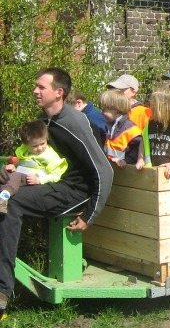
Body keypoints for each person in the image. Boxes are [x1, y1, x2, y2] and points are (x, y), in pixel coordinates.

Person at [0, 68, 113, 318]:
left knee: (11, 203)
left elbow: (105, 172)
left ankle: (2, 292)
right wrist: (12, 168)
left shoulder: (74, 123)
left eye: (41, 87)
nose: (35, 91)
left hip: (74, 192)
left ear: (59, 92)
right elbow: (37, 157)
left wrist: (89, 216)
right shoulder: (44, 120)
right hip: (51, 183)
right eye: (36, 86)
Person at [0, 120, 68, 214]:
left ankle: (4, 198)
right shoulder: (25, 151)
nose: (40, 148)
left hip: (30, 178)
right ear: (26, 145)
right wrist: (13, 166)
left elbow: (55, 175)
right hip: (18, 173)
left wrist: (39, 180)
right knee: (3, 169)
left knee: (16, 176)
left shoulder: (50, 156)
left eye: (42, 143)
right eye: (35, 146)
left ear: (46, 138)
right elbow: (22, 163)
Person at [100, 89, 142, 167]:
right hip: (112, 170)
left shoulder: (131, 130)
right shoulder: (108, 126)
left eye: (104, 109)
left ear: (115, 109)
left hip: (125, 172)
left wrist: (126, 160)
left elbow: (138, 150)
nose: (102, 113)